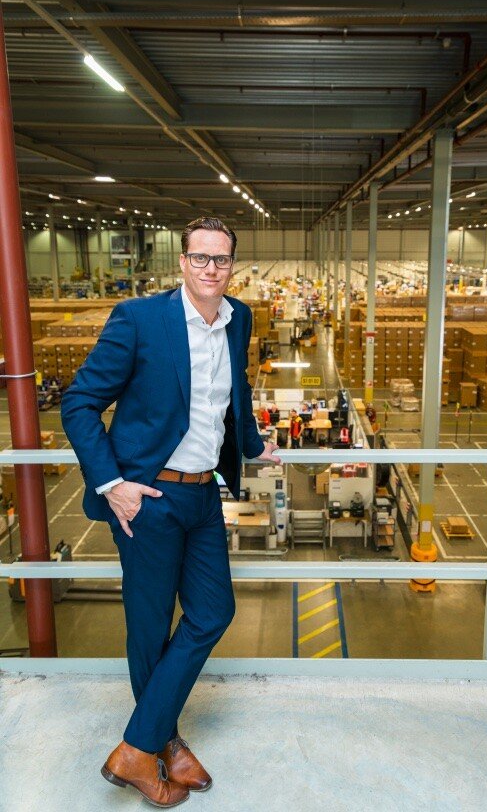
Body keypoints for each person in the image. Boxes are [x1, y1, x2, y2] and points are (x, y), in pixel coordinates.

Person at [61, 216, 280, 807]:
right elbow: (79, 402)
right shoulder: (140, 320)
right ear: (182, 262)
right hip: (149, 498)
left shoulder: (238, 318)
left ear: (232, 266)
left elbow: (234, 392)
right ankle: (164, 743)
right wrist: (113, 484)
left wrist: (253, 445)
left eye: (221, 259)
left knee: (213, 612)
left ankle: (138, 747)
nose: (211, 268)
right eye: (200, 257)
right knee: (151, 625)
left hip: (204, 493)